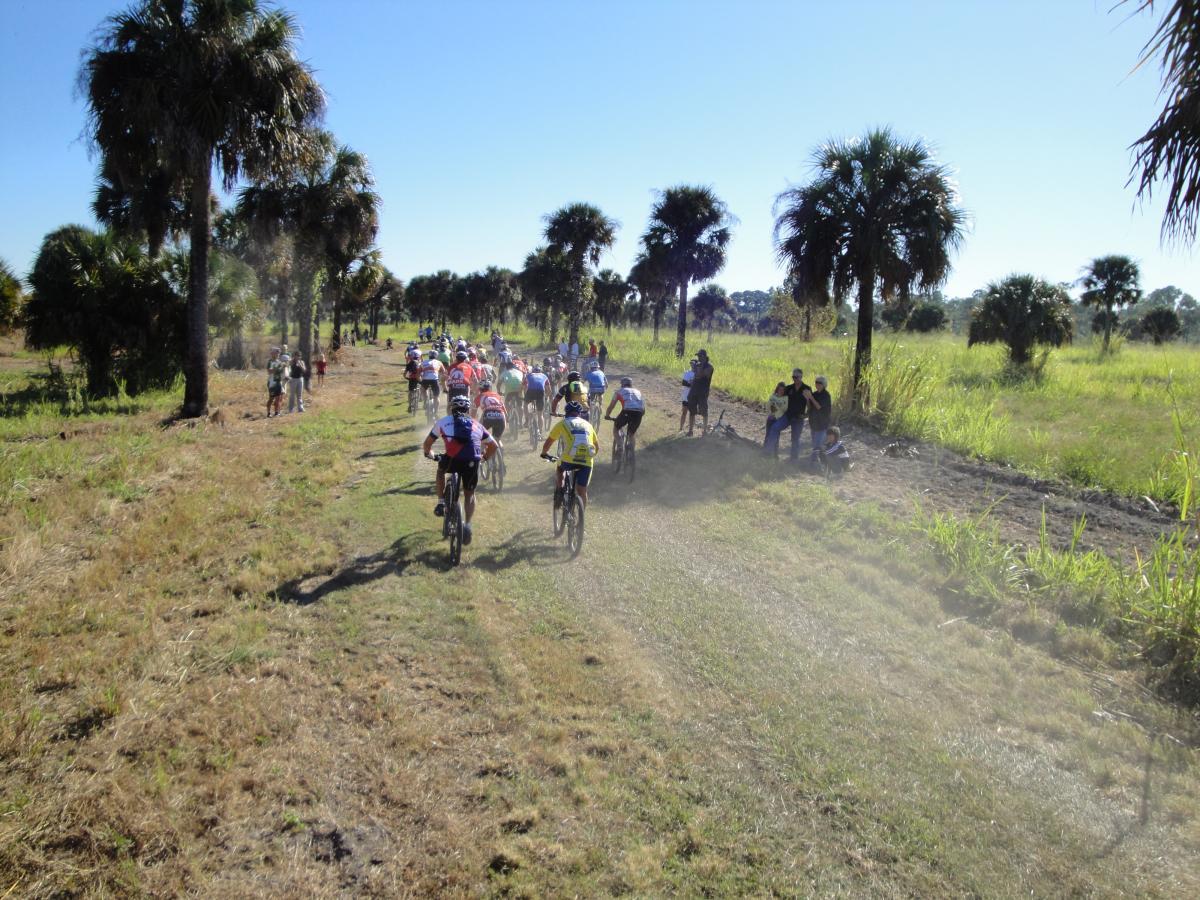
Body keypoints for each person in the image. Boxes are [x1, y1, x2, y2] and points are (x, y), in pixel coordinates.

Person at [423, 395, 498, 546]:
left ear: (452, 408)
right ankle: (468, 525)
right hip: (472, 460)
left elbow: (427, 444)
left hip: (452, 459)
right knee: (470, 494)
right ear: (468, 409)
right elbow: (494, 445)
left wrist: (430, 455)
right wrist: (484, 458)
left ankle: (441, 502)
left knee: (440, 471)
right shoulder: (476, 424)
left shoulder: (443, 422)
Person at [542, 400, 599, 509]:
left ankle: (560, 491)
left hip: (569, 459)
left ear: (566, 412)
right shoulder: (588, 425)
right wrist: (587, 457)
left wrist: (544, 453)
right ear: (580, 413)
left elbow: (549, 442)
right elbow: (597, 447)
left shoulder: (563, 423)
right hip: (587, 461)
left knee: (560, 469)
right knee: (582, 490)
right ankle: (581, 520)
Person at [765, 368, 814, 463]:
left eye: (796, 377)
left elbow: (810, 406)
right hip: (787, 416)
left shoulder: (807, 389)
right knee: (775, 428)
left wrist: (806, 412)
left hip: (798, 418)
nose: (794, 379)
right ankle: (768, 452)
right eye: (793, 377)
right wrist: (774, 412)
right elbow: (778, 396)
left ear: (801, 377)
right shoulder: (789, 388)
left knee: (795, 439)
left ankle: (794, 460)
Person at [604, 375, 645, 448]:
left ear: (622, 384)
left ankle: (620, 447)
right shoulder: (638, 392)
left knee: (616, 429)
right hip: (639, 413)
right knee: (631, 434)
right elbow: (642, 407)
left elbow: (611, 406)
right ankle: (631, 454)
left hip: (627, 411)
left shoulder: (619, 392)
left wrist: (607, 415)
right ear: (631, 384)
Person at [806, 375, 833, 466]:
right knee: (816, 445)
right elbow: (810, 407)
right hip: (814, 423)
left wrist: (811, 397)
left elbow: (818, 407)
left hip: (822, 424)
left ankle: (814, 464)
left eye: (819, 383)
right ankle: (821, 461)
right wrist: (807, 398)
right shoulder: (814, 394)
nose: (817, 384)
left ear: (824, 384)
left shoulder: (826, 395)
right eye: (816, 382)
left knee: (817, 445)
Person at [686, 349, 713, 437]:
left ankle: (704, 431)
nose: (698, 358)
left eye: (700, 356)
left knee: (704, 412)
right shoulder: (698, 365)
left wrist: (695, 367)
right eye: (698, 356)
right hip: (694, 391)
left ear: (705, 357)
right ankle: (690, 431)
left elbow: (699, 375)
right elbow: (694, 376)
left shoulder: (709, 367)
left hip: (702, 392)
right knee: (692, 411)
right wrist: (695, 366)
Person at [523, 364, 550, 429]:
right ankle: (540, 433)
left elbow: (524, 386)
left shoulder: (529, 375)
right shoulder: (544, 376)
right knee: (540, 415)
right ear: (540, 371)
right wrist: (545, 398)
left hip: (531, 391)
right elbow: (549, 390)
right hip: (540, 392)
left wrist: (525, 395)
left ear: (533, 371)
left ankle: (527, 420)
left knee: (525, 405)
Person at [764, 382, 788, 454]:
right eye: (779, 389)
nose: (781, 391)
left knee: (776, 437)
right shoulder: (773, 396)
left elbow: (784, 409)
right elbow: (768, 406)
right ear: (777, 389)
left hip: (778, 420)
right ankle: (765, 451)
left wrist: (774, 407)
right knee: (768, 435)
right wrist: (775, 409)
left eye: (783, 390)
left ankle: (775, 454)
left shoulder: (785, 398)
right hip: (770, 419)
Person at [266, 347, 285, 417]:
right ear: (272, 354)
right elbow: (269, 371)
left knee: (278, 398)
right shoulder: (270, 362)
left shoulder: (280, 362)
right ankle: (268, 412)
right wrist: (277, 369)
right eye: (276, 353)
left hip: (278, 382)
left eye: (278, 353)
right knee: (271, 399)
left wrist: (283, 367)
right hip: (272, 383)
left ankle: (276, 413)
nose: (277, 355)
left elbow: (281, 372)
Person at [679, 359, 696, 431]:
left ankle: (691, 430)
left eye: (693, 363)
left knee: (692, 414)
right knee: (684, 412)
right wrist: (692, 385)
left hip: (694, 397)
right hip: (686, 396)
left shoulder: (698, 374)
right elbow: (684, 383)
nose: (692, 365)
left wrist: (691, 384)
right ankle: (681, 428)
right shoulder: (687, 373)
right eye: (691, 363)